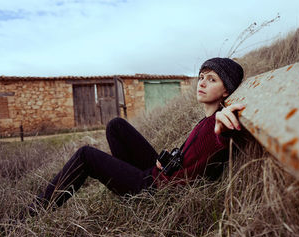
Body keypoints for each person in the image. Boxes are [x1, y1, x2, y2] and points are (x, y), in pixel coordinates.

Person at [28, 57, 245, 214]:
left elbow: (222, 140)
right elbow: (191, 158)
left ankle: (35, 212)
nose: (202, 83)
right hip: (160, 174)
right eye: (201, 77)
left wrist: (223, 130)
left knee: (86, 155)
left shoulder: (217, 124)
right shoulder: (206, 121)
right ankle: (127, 183)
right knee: (116, 126)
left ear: (226, 91)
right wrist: (166, 163)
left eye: (212, 79)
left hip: (156, 190)